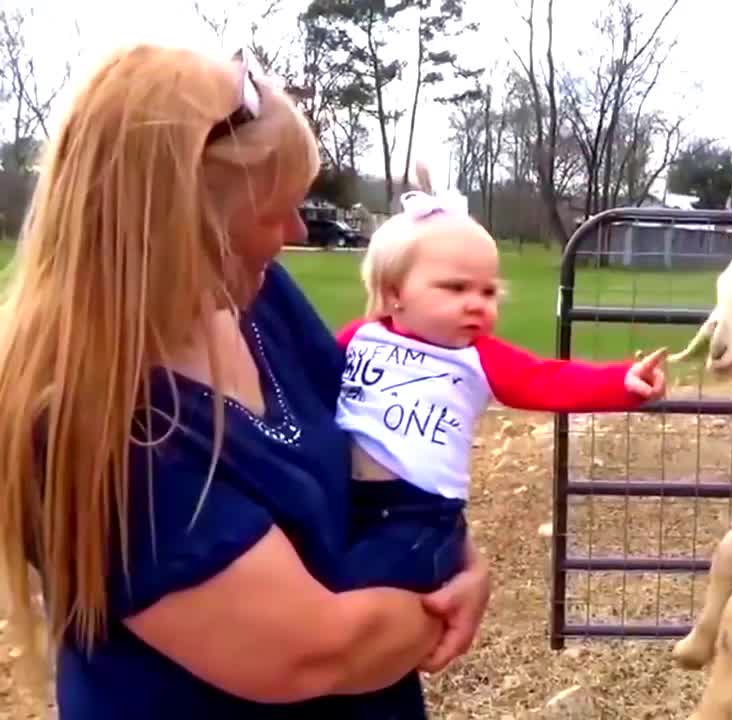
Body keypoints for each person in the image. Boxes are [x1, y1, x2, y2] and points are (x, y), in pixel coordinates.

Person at [0, 45, 489, 719]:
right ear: (176, 225)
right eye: (272, 212)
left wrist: (462, 553)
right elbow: (312, 652)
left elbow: (370, 441)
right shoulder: (94, 424)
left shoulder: (252, 297)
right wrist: (439, 602)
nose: (293, 232)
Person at [334, 180, 668, 595]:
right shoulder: (359, 339)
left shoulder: (478, 356)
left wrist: (621, 381)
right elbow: (307, 382)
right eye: (456, 288)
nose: (478, 303)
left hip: (420, 514)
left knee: (363, 591)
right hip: (343, 499)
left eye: (489, 291)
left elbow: (545, 378)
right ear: (393, 292)